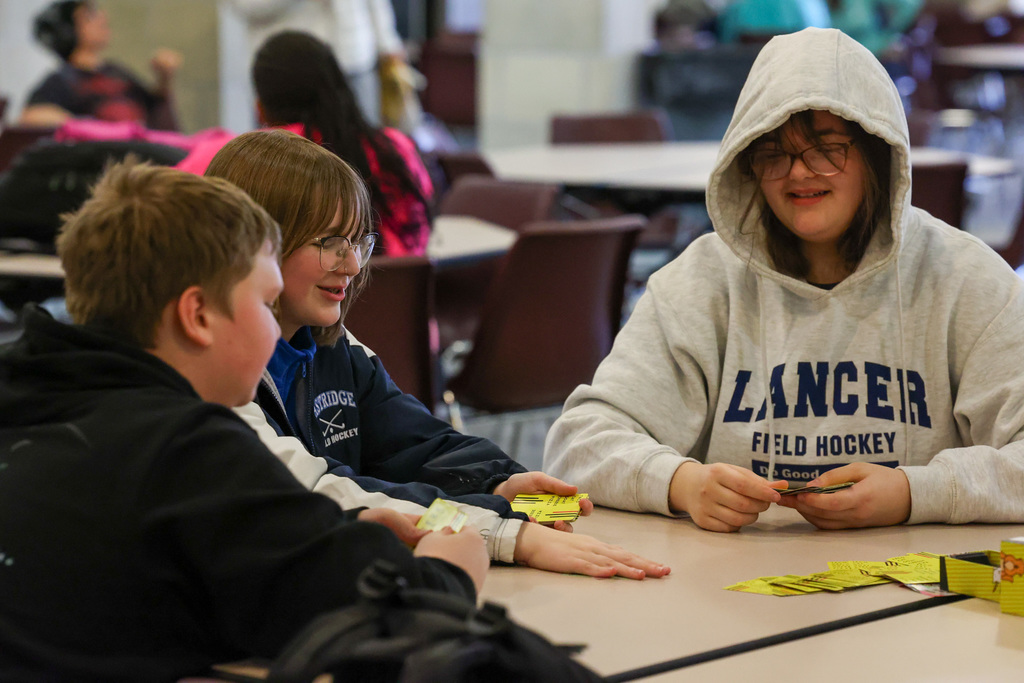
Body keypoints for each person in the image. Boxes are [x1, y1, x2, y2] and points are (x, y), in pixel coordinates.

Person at [0, 160, 486, 680]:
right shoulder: (185, 448)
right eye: (266, 302)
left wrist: (341, 529)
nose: (275, 328)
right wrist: (448, 569)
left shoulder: (34, 397)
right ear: (198, 315)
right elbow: (376, 619)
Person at [544, 27, 1024, 533]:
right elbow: (577, 441)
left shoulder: (965, 279)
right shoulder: (701, 283)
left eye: (825, 149)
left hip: (919, 592)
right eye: (774, 153)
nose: (798, 174)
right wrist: (680, 481)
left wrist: (913, 492)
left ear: (876, 154)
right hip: (724, 590)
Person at [206, 129, 671, 579]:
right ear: (258, 245)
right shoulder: (212, 377)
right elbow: (319, 493)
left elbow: (416, 441)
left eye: (359, 243)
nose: (351, 265)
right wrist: (506, 534)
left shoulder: (334, 346)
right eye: (330, 244)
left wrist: (499, 484)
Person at [178, 30, 431, 257]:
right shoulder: (397, 147)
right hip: (402, 302)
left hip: (299, 307)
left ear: (260, 109)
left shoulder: (241, 158)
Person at [226, 0, 403, 126]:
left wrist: (387, 40)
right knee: (284, 159)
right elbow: (243, 5)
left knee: (365, 154)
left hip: (356, 58)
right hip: (290, 68)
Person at [20, 0, 181, 130]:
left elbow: (156, 113)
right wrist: (87, 128)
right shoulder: (62, 81)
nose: (103, 17)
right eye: (90, 16)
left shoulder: (117, 72)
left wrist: (164, 78)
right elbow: (31, 117)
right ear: (68, 30)